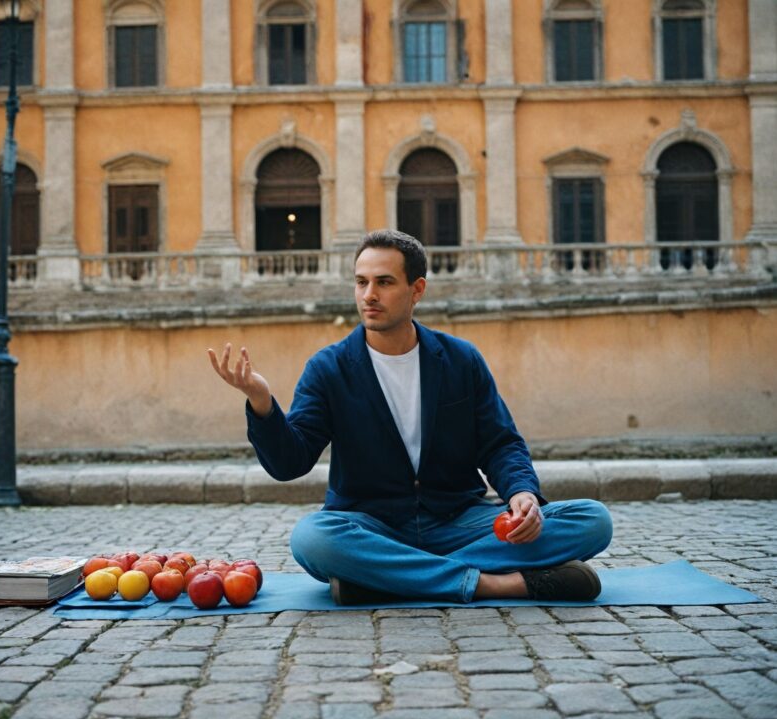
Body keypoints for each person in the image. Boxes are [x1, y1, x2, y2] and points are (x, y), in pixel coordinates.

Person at [208, 229, 612, 605]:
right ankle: (494, 583)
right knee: (313, 539)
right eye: (361, 281)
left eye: (384, 282)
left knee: (592, 520)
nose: (369, 295)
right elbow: (289, 463)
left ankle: (381, 577)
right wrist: (261, 402)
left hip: (458, 521)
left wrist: (522, 493)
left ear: (416, 289)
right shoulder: (329, 368)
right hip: (373, 526)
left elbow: (500, 443)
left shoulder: (460, 360)